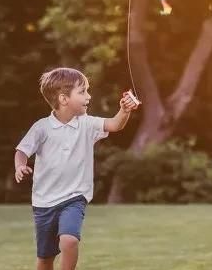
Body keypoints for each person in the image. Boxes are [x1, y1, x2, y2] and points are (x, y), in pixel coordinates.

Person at [14, 67, 140, 270]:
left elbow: (115, 125)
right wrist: (20, 166)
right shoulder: (42, 128)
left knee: (70, 240)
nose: (89, 96)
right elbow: (21, 150)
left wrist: (124, 111)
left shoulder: (87, 124)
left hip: (74, 197)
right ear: (64, 99)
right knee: (45, 259)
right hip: (44, 202)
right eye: (83, 92)